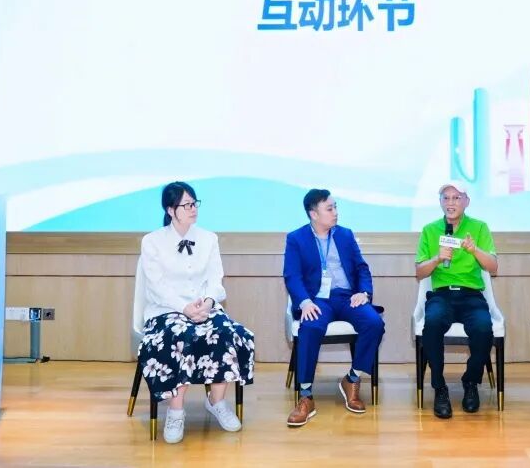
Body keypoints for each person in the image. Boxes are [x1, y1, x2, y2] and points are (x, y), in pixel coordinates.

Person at [136, 181, 255, 443]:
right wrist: (184, 308)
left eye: (194, 203)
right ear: (171, 210)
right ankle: (176, 411)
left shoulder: (209, 238)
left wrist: (209, 303)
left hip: (204, 307)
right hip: (167, 311)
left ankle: (217, 401)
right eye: (186, 205)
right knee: (180, 336)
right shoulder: (152, 242)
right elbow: (156, 286)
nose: (193, 209)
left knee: (227, 333)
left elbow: (215, 279)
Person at [283, 189, 384, 427]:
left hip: (347, 297)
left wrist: (364, 293)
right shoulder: (296, 238)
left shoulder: (345, 235)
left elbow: (361, 268)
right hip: (317, 299)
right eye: (329, 208)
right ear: (314, 214)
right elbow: (292, 276)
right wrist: (305, 302)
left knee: (374, 323)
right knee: (310, 327)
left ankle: (352, 379)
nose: (335, 212)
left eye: (335, 206)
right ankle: (305, 396)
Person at [415, 180, 498, 419]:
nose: (450, 203)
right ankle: (440, 388)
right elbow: (419, 272)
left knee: (483, 328)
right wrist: (436, 259)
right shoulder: (430, 229)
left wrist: (475, 250)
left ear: (466, 201)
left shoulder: (479, 227)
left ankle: (470, 382)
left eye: (456, 198)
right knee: (432, 323)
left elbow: (493, 267)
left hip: (471, 295)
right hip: (441, 295)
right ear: (440, 202)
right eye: (446, 198)